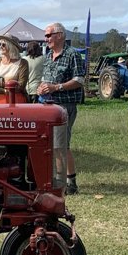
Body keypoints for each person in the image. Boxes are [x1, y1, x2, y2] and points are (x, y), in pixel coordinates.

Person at [37, 23, 85, 195]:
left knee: (61, 145)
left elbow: (79, 80)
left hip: (64, 106)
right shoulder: (49, 55)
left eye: (49, 35)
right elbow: (45, 79)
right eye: (46, 35)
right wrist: (41, 88)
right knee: (52, 145)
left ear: (60, 35)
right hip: (48, 106)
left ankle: (67, 183)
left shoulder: (72, 55)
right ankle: (61, 180)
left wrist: (56, 87)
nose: (46, 39)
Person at [0, 35, 28, 103]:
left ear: (11, 47)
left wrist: (1, 84)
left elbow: (21, 86)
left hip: (16, 102)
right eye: (0, 44)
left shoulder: (23, 63)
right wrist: (5, 91)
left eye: (3, 44)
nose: (0, 46)